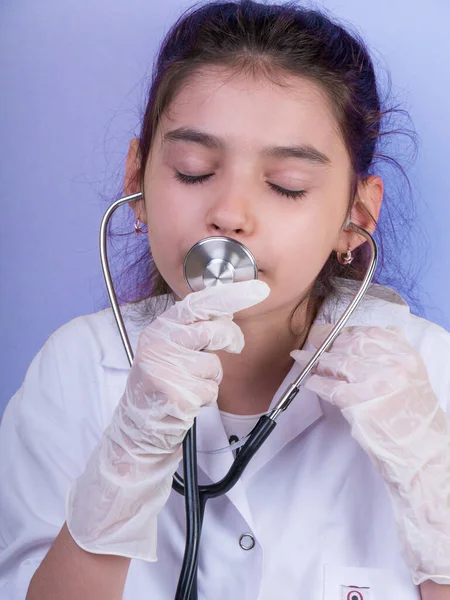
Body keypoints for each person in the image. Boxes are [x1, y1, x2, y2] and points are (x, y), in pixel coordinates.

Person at [0, 1, 449, 599]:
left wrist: (434, 492)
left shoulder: (427, 378)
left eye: (286, 185)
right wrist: (123, 466)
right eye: (192, 171)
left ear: (356, 214)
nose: (229, 214)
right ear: (136, 182)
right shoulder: (78, 370)